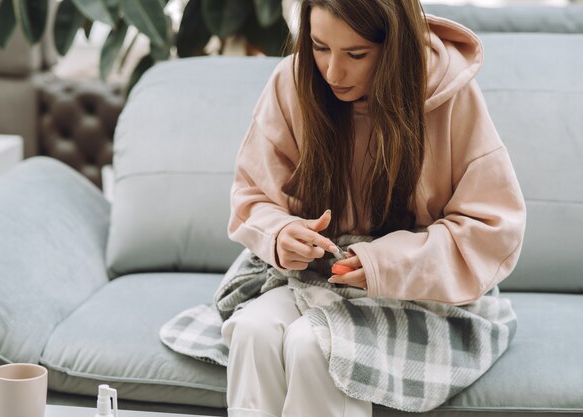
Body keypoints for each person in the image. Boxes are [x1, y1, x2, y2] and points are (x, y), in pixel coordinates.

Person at [222, 1, 526, 416]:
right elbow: (254, 196)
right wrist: (280, 234)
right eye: (319, 47)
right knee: (251, 330)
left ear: (394, 45)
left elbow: (492, 229)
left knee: (314, 345)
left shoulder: (450, 95)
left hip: (421, 288)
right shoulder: (292, 84)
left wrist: (388, 263)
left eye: (356, 54)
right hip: (315, 277)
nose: (332, 72)